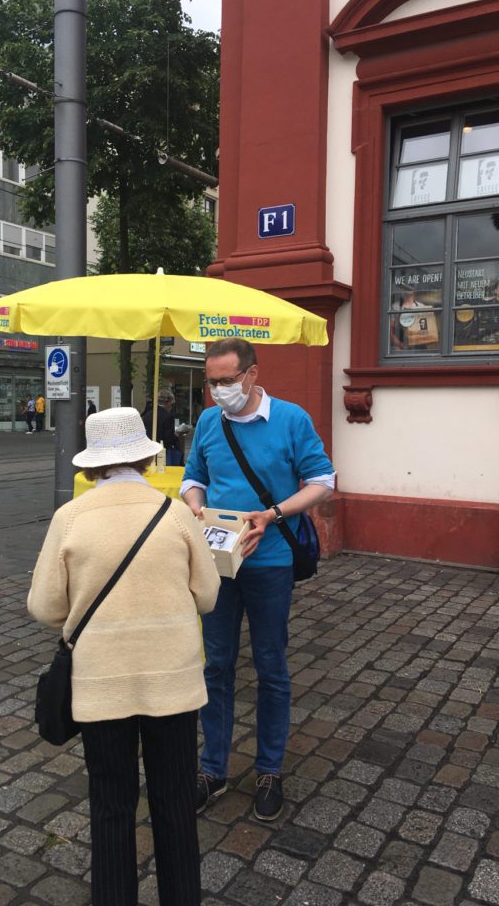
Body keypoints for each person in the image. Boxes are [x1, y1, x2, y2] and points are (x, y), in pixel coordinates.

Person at [28, 407, 220, 906]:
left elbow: (45, 606)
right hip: (174, 683)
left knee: (111, 806)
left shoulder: (70, 518)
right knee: (175, 804)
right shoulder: (175, 512)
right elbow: (207, 596)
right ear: (147, 455)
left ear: (91, 466)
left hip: (101, 686)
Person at [181, 338, 335, 821]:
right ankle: (213, 769)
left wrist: (272, 514)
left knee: (271, 667)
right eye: (212, 382)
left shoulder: (290, 419)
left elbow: (323, 482)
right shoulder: (209, 421)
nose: (219, 390)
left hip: (269, 562)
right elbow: (193, 477)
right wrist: (196, 508)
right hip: (219, 561)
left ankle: (269, 769)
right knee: (216, 666)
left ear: (251, 375)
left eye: (227, 380)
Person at [142, 389, 181, 465]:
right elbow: (169, 438)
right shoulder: (168, 417)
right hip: (162, 451)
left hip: (149, 450)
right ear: (168, 402)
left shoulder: (148, 414)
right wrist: (176, 436)